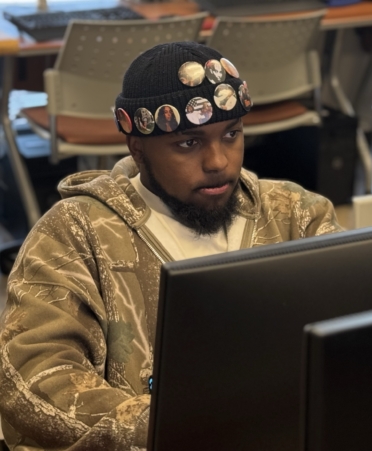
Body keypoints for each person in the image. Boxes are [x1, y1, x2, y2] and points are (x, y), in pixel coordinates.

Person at [0, 41, 343, 451]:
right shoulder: (75, 234)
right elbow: (33, 380)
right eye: (188, 143)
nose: (218, 161)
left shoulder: (296, 214)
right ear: (137, 149)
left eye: (231, 135)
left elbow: (350, 335)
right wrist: (177, 428)